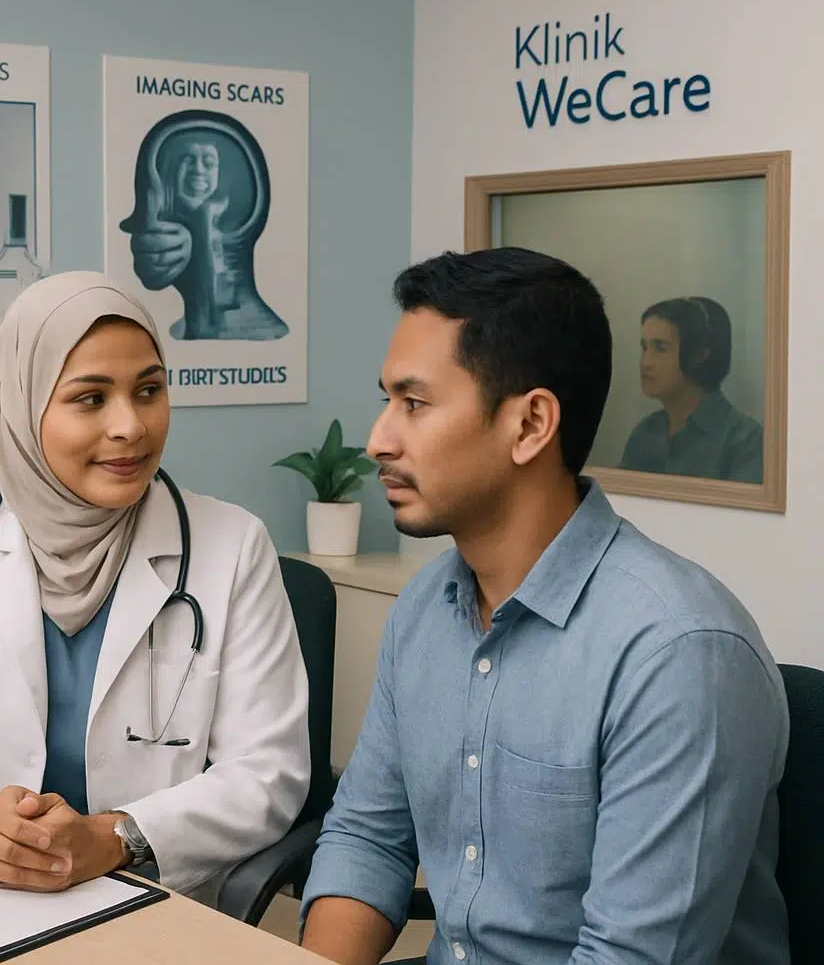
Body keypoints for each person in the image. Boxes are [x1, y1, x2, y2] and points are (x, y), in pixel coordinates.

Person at [299, 248, 790, 965]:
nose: (379, 438)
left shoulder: (678, 652)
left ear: (530, 425)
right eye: (387, 400)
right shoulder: (424, 610)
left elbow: (630, 955)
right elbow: (368, 836)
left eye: (414, 403)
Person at [0, 270, 311, 904]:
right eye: (90, 398)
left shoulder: (233, 546)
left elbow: (268, 775)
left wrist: (112, 840)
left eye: (149, 390)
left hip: (158, 902)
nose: (130, 425)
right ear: (23, 405)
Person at [619, 295, 764, 483]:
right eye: (644, 348)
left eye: (660, 348)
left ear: (699, 356)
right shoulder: (645, 433)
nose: (645, 363)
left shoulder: (745, 441)